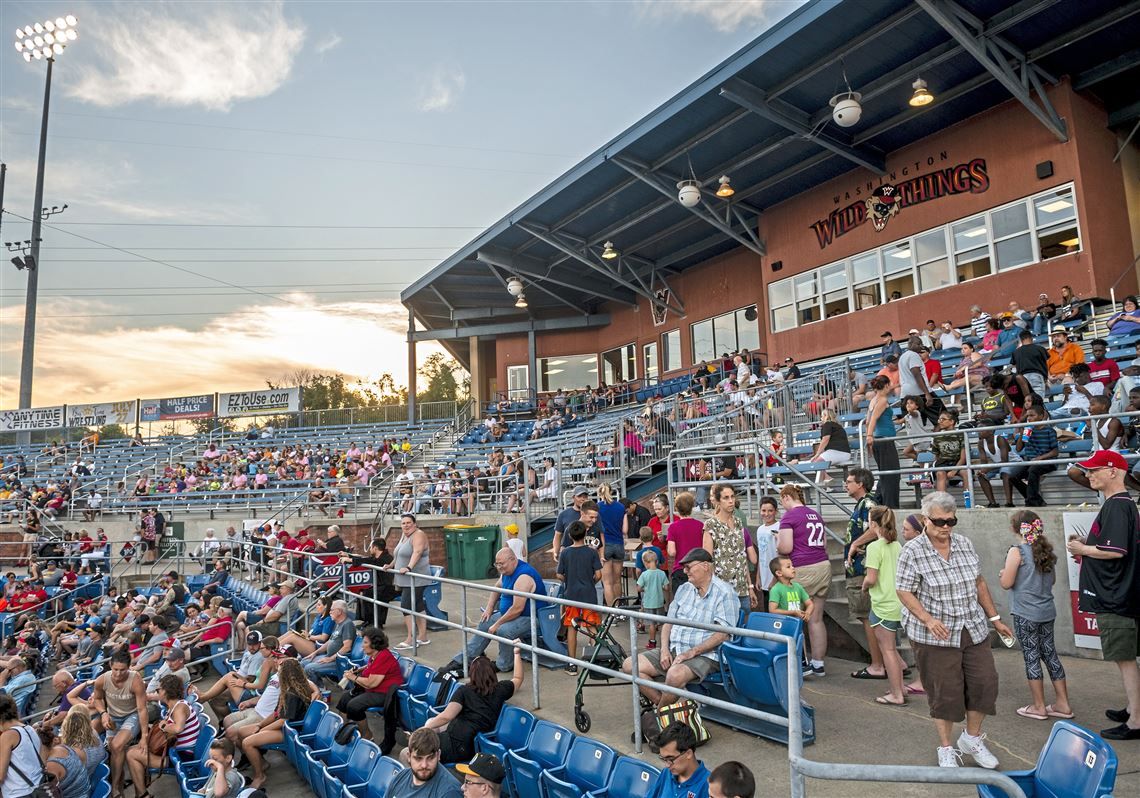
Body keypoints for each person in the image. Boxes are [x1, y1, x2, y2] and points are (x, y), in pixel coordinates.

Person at [895, 492, 1012, 768]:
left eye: (951, 521)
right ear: (925, 520)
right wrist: (927, 619)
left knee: (985, 683)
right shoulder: (912, 551)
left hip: (972, 626)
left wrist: (994, 618)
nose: (946, 527)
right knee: (944, 691)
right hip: (935, 634)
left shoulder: (964, 544)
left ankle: (971, 738)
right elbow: (904, 591)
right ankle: (946, 747)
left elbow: (979, 583)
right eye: (939, 521)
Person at [1065, 451, 1140, 741]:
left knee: (1124, 659)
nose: (1088, 475)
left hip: (1115, 596)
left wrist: (1084, 550)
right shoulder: (1118, 505)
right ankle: (1134, 708)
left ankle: (1135, 721)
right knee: (1125, 659)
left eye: (1094, 470)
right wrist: (1089, 542)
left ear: (1112, 471)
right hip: (1118, 593)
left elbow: (1115, 551)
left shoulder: (1118, 505)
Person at [621, 548, 735, 707]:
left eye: (689, 567)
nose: (685, 571)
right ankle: (665, 709)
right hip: (676, 649)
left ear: (705, 566)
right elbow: (668, 622)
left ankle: (659, 716)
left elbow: (723, 634)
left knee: (674, 675)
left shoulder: (724, 592)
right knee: (629, 664)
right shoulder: (684, 588)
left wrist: (692, 652)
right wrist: (664, 649)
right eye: (684, 567)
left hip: (706, 654)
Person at [998, 511, 1072, 722]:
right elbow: (1052, 580)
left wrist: (1004, 573)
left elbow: (1007, 583)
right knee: (1050, 654)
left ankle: (1039, 706)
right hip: (1046, 612)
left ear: (1015, 528)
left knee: (1031, 656)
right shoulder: (1046, 551)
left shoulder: (1017, 551)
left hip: (1025, 613)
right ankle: (1063, 704)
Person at [446, 548, 547, 673]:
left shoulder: (523, 576)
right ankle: (464, 659)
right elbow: (497, 587)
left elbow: (517, 609)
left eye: (502, 564)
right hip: (510, 614)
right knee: (485, 621)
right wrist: (489, 608)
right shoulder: (506, 572)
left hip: (531, 617)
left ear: (513, 559)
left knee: (504, 630)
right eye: (497, 564)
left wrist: (497, 623)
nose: (499, 567)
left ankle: (504, 664)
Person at [421, 652, 522, 764]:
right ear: (492, 673)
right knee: (431, 725)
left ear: (472, 674)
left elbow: (446, 716)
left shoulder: (464, 691)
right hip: (472, 743)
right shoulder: (501, 689)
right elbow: (518, 678)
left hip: (457, 743)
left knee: (408, 752)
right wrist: (516, 653)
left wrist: (421, 732)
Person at [239, 656, 318, 786]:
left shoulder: (292, 694)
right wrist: (259, 724)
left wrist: (261, 730)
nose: (278, 670)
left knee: (247, 742)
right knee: (242, 732)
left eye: (280, 669)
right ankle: (260, 762)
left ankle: (259, 776)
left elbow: (283, 721)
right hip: (283, 726)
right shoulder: (286, 689)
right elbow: (276, 713)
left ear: (286, 674)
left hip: (291, 731)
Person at [776, 485, 828, 676]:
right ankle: (818, 663)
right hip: (823, 565)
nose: (782, 506)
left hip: (803, 568)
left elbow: (786, 547)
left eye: (782, 501)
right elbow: (824, 544)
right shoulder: (815, 514)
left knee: (794, 616)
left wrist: (777, 542)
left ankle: (802, 662)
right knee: (816, 619)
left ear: (787, 497)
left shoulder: (790, 517)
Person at [840, 469, 886, 680]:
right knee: (870, 617)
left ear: (860, 484)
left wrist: (856, 543)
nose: (845, 484)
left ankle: (877, 664)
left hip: (862, 568)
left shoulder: (867, 503)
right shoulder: (864, 504)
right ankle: (891, 661)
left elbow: (876, 529)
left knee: (868, 617)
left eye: (849, 481)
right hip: (860, 566)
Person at [126, 674, 200, 797]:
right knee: (132, 750)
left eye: (158, 690)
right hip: (175, 752)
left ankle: (143, 794)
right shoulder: (175, 705)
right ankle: (141, 793)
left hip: (182, 756)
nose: (157, 692)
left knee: (132, 755)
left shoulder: (180, 707)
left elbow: (178, 728)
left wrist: (163, 726)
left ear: (165, 691)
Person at [861, 506, 905, 706]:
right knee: (892, 649)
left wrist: (864, 586)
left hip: (883, 604)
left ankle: (897, 693)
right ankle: (900, 687)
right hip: (898, 602)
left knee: (887, 650)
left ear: (873, 524)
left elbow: (871, 578)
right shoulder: (896, 545)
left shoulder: (874, 547)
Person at [92, 649, 148, 795]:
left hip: (132, 715)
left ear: (129, 667)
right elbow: (97, 699)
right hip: (113, 717)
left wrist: (144, 736)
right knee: (115, 750)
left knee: (117, 745)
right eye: (115, 669)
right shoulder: (102, 680)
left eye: (122, 670)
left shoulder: (135, 680)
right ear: (110, 665)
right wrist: (103, 713)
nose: (118, 673)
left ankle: (115, 787)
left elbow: (142, 709)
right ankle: (122, 789)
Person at [337, 627, 402, 743]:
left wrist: (353, 677)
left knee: (354, 705)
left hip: (384, 694)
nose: (362, 645)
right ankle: (342, 729)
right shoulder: (374, 655)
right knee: (344, 698)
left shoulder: (383, 656)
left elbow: (372, 683)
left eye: (365, 642)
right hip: (373, 690)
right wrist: (358, 671)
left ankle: (367, 735)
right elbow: (370, 667)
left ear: (375, 644)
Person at [556, 521, 602, 672]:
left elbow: (559, 574)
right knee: (592, 626)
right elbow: (598, 574)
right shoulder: (592, 552)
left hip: (571, 595)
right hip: (588, 594)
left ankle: (571, 663)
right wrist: (591, 581)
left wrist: (568, 580)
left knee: (571, 628)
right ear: (586, 534)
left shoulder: (565, 553)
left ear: (569, 535)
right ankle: (595, 661)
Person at [703, 483, 754, 618]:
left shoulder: (738, 522)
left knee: (743, 630)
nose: (731, 500)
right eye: (726, 498)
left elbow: (742, 557)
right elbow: (707, 560)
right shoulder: (711, 525)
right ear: (718, 501)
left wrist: (750, 586)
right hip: (722, 591)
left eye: (732, 496)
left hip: (742, 589)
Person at [44, 706, 107, 798]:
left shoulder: (76, 752)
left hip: (83, 786)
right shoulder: (93, 732)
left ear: (67, 727)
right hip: (91, 779)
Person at [389, 513, 431, 649]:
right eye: (403, 523)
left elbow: (417, 552)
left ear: (414, 523)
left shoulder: (418, 534)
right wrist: (390, 565)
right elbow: (399, 553)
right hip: (406, 579)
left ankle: (411, 638)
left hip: (417, 577)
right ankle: (423, 637)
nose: (406, 525)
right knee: (418, 605)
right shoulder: (404, 535)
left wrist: (409, 567)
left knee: (406, 605)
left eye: (408, 522)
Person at [1002, 405, 1057, 507]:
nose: (1029, 418)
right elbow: (1018, 449)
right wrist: (1021, 435)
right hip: (1031, 462)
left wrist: (1040, 458)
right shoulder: (1028, 431)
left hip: (1047, 461)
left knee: (1033, 470)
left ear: (1041, 416)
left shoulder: (1049, 430)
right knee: (1012, 477)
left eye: (1032, 415)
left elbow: (1055, 452)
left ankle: (1031, 501)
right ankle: (1035, 499)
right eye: (1028, 416)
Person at [389, 728, 462, 798]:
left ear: (438, 755)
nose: (424, 765)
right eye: (418, 758)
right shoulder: (399, 778)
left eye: (430, 758)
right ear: (409, 756)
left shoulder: (449, 792)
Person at [864, 375, 900, 508]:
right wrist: (869, 436)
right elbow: (872, 420)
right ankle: (891, 507)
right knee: (892, 476)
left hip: (879, 440)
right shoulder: (882, 400)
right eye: (889, 384)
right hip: (884, 440)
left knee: (885, 476)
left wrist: (870, 438)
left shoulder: (873, 400)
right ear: (885, 386)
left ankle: (877, 503)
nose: (890, 387)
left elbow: (867, 421)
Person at [300, 599, 356, 683]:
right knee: (303, 662)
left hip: (337, 662)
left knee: (309, 668)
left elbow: (347, 647)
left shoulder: (347, 624)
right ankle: (318, 686)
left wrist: (330, 658)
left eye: (331, 610)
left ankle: (318, 690)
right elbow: (329, 642)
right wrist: (315, 653)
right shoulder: (338, 623)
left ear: (339, 611)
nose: (329, 612)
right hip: (329, 657)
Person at [647, 724, 709, 798]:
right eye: (663, 759)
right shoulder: (666, 772)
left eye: (670, 759)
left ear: (688, 753)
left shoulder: (709, 785)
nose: (667, 765)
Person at [0, 693, 41, 798]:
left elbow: (0, 775)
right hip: (38, 787)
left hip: (20, 793)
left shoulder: (8, 736)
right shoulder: (29, 728)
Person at [666, 492, 705, 596]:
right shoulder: (700, 525)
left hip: (681, 569)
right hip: (698, 568)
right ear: (692, 507)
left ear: (677, 508)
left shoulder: (673, 527)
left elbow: (672, 552)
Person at [596, 483, 627, 606]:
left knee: (607, 582)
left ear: (600, 493)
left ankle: (612, 613)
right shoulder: (621, 507)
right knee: (617, 581)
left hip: (605, 545)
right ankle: (619, 609)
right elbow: (625, 530)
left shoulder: (597, 508)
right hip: (619, 544)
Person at [810, 408, 851, 485]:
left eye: (822, 416)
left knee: (816, 462)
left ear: (826, 416)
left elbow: (825, 439)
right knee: (817, 462)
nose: (821, 418)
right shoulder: (838, 426)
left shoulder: (827, 424)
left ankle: (826, 480)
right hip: (844, 453)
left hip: (838, 452)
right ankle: (827, 481)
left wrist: (817, 454)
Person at [551, 485, 591, 564]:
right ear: (573, 497)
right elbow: (557, 535)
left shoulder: (592, 514)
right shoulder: (564, 514)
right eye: (579, 496)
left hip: (588, 554)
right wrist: (555, 551)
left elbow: (600, 534)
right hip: (569, 555)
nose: (583, 499)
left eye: (585, 496)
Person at [637, 551, 669, 649]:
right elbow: (667, 587)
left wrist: (645, 588)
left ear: (646, 563)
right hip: (659, 602)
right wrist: (659, 587)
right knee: (661, 623)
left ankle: (652, 642)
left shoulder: (644, 574)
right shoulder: (662, 573)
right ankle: (665, 642)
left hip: (648, 603)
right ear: (656, 561)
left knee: (651, 624)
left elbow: (638, 588)